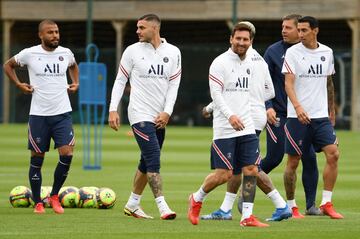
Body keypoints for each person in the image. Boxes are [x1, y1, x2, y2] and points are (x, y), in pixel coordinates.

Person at [187, 22, 269, 227]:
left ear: (251, 42)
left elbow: (252, 93)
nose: (242, 42)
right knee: (224, 175)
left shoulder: (251, 63)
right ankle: (196, 198)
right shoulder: (219, 63)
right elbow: (216, 95)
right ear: (231, 39)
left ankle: (247, 216)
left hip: (247, 125)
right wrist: (230, 115)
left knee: (251, 170)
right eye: (238, 38)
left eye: (246, 39)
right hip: (225, 127)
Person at [200, 45, 292, 221]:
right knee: (238, 167)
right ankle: (226, 209)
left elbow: (235, 92)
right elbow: (270, 92)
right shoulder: (261, 61)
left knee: (250, 167)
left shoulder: (241, 61)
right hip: (256, 116)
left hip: (245, 117)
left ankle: (281, 205)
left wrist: (210, 108)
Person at [108, 14, 181, 220]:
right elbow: (120, 80)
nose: (137, 31)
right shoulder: (132, 51)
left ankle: (132, 204)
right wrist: (113, 108)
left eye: (142, 27)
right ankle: (163, 206)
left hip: (160, 115)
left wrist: (167, 111)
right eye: (137, 27)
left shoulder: (173, 52)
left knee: (145, 161)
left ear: (155, 28)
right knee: (153, 158)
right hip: (139, 114)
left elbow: (174, 85)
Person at [3, 19, 79, 214]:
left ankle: (54, 196)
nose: (55, 35)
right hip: (39, 116)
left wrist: (75, 82)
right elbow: (8, 65)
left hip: (62, 114)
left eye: (57, 32)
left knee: (67, 154)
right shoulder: (29, 53)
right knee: (37, 158)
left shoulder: (65, 53)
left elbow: (74, 65)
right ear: (41, 35)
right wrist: (19, 84)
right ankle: (37, 202)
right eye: (50, 32)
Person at [282, 16, 343, 219]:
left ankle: (326, 202)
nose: (300, 34)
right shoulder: (292, 52)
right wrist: (298, 107)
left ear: (315, 30)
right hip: (297, 116)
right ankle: (291, 206)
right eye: (298, 30)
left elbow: (328, 83)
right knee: (293, 161)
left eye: (304, 30)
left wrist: (331, 111)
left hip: (321, 117)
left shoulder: (327, 52)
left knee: (333, 154)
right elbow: (288, 84)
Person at [262, 14, 321, 217]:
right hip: (278, 113)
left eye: (288, 27)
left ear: (300, 30)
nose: (283, 30)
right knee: (274, 158)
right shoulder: (273, 51)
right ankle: (246, 190)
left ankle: (311, 206)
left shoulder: (312, 52)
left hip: (303, 115)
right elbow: (261, 81)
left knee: (310, 157)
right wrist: (267, 106)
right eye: (282, 27)